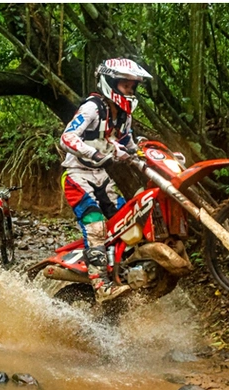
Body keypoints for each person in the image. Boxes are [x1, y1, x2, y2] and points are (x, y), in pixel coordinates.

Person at [60, 58, 153, 302]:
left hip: (101, 175)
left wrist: (153, 158)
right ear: (110, 83)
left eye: (133, 87)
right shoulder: (93, 108)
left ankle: (127, 274)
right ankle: (101, 286)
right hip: (76, 174)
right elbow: (67, 137)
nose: (130, 92)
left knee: (127, 220)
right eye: (126, 86)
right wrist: (95, 153)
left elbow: (130, 146)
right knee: (96, 226)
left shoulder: (123, 116)